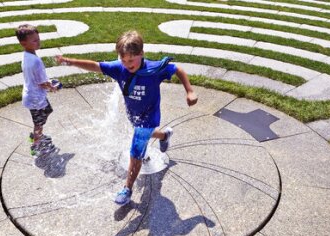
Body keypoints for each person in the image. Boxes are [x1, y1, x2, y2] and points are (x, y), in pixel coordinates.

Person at [56, 30, 198, 205]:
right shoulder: (119, 68)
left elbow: (178, 69)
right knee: (144, 134)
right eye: (123, 60)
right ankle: (164, 135)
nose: (127, 64)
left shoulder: (153, 70)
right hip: (134, 115)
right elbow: (96, 65)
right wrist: (70, 62)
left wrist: (190, 91)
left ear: (141, 54)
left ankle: (127, 188)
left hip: (149, 115)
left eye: (131, 60)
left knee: (136, 151)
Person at [17, 24, 59, 156]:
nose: (38, 42)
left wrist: (47, 83)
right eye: (34, 40)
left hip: (32, 94)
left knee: (47, 111)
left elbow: (38, 80)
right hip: (35, 98)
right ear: (24, 43)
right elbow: (42, 84)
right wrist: (52, 87)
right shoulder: (36, 61)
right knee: (39, 123)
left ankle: (37, 135)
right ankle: (36, 144)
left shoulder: (26, 55)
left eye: (38, 38)